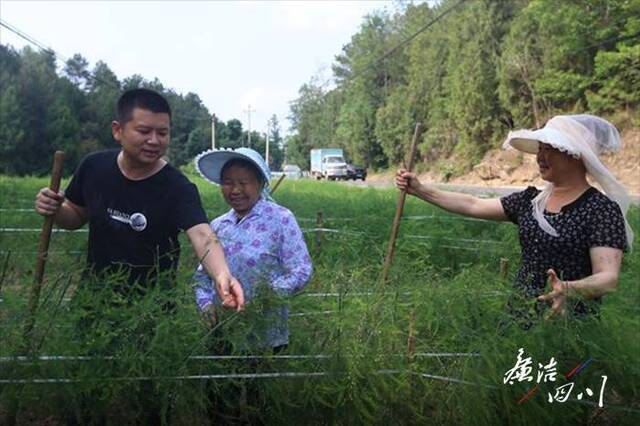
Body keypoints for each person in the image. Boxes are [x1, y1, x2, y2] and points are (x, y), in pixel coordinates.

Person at [396, 114, 633, 323]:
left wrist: (569, 289)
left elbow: (607, 278)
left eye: (549, 148)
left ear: (576, 155)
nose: (540, 156)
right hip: (519, 317)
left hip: (569, 324)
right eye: (540, 148)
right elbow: (473, 203)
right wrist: (420, 190)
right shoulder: (530, 201)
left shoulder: (601, 209)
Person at [34, 88, 244, 309]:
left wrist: (223, 276)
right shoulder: (93, 167)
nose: (154, 141)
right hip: (93, 301)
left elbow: (203, 236)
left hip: (151, 311)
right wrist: (55, 209)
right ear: (118, 130)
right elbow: (75, 215)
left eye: (162, 133)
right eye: (144, 131)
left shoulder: (178, 187)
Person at [192, 147, 312, 350]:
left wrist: (266, 297)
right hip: (222, 332)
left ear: (260, 183)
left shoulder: (280, 219)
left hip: (265, 333)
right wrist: (206, 305)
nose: (235, 190)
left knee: (260, 379)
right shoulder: (218, 225)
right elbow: (202, 277)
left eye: (243, 183)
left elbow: (301, 269)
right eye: (228, 183)